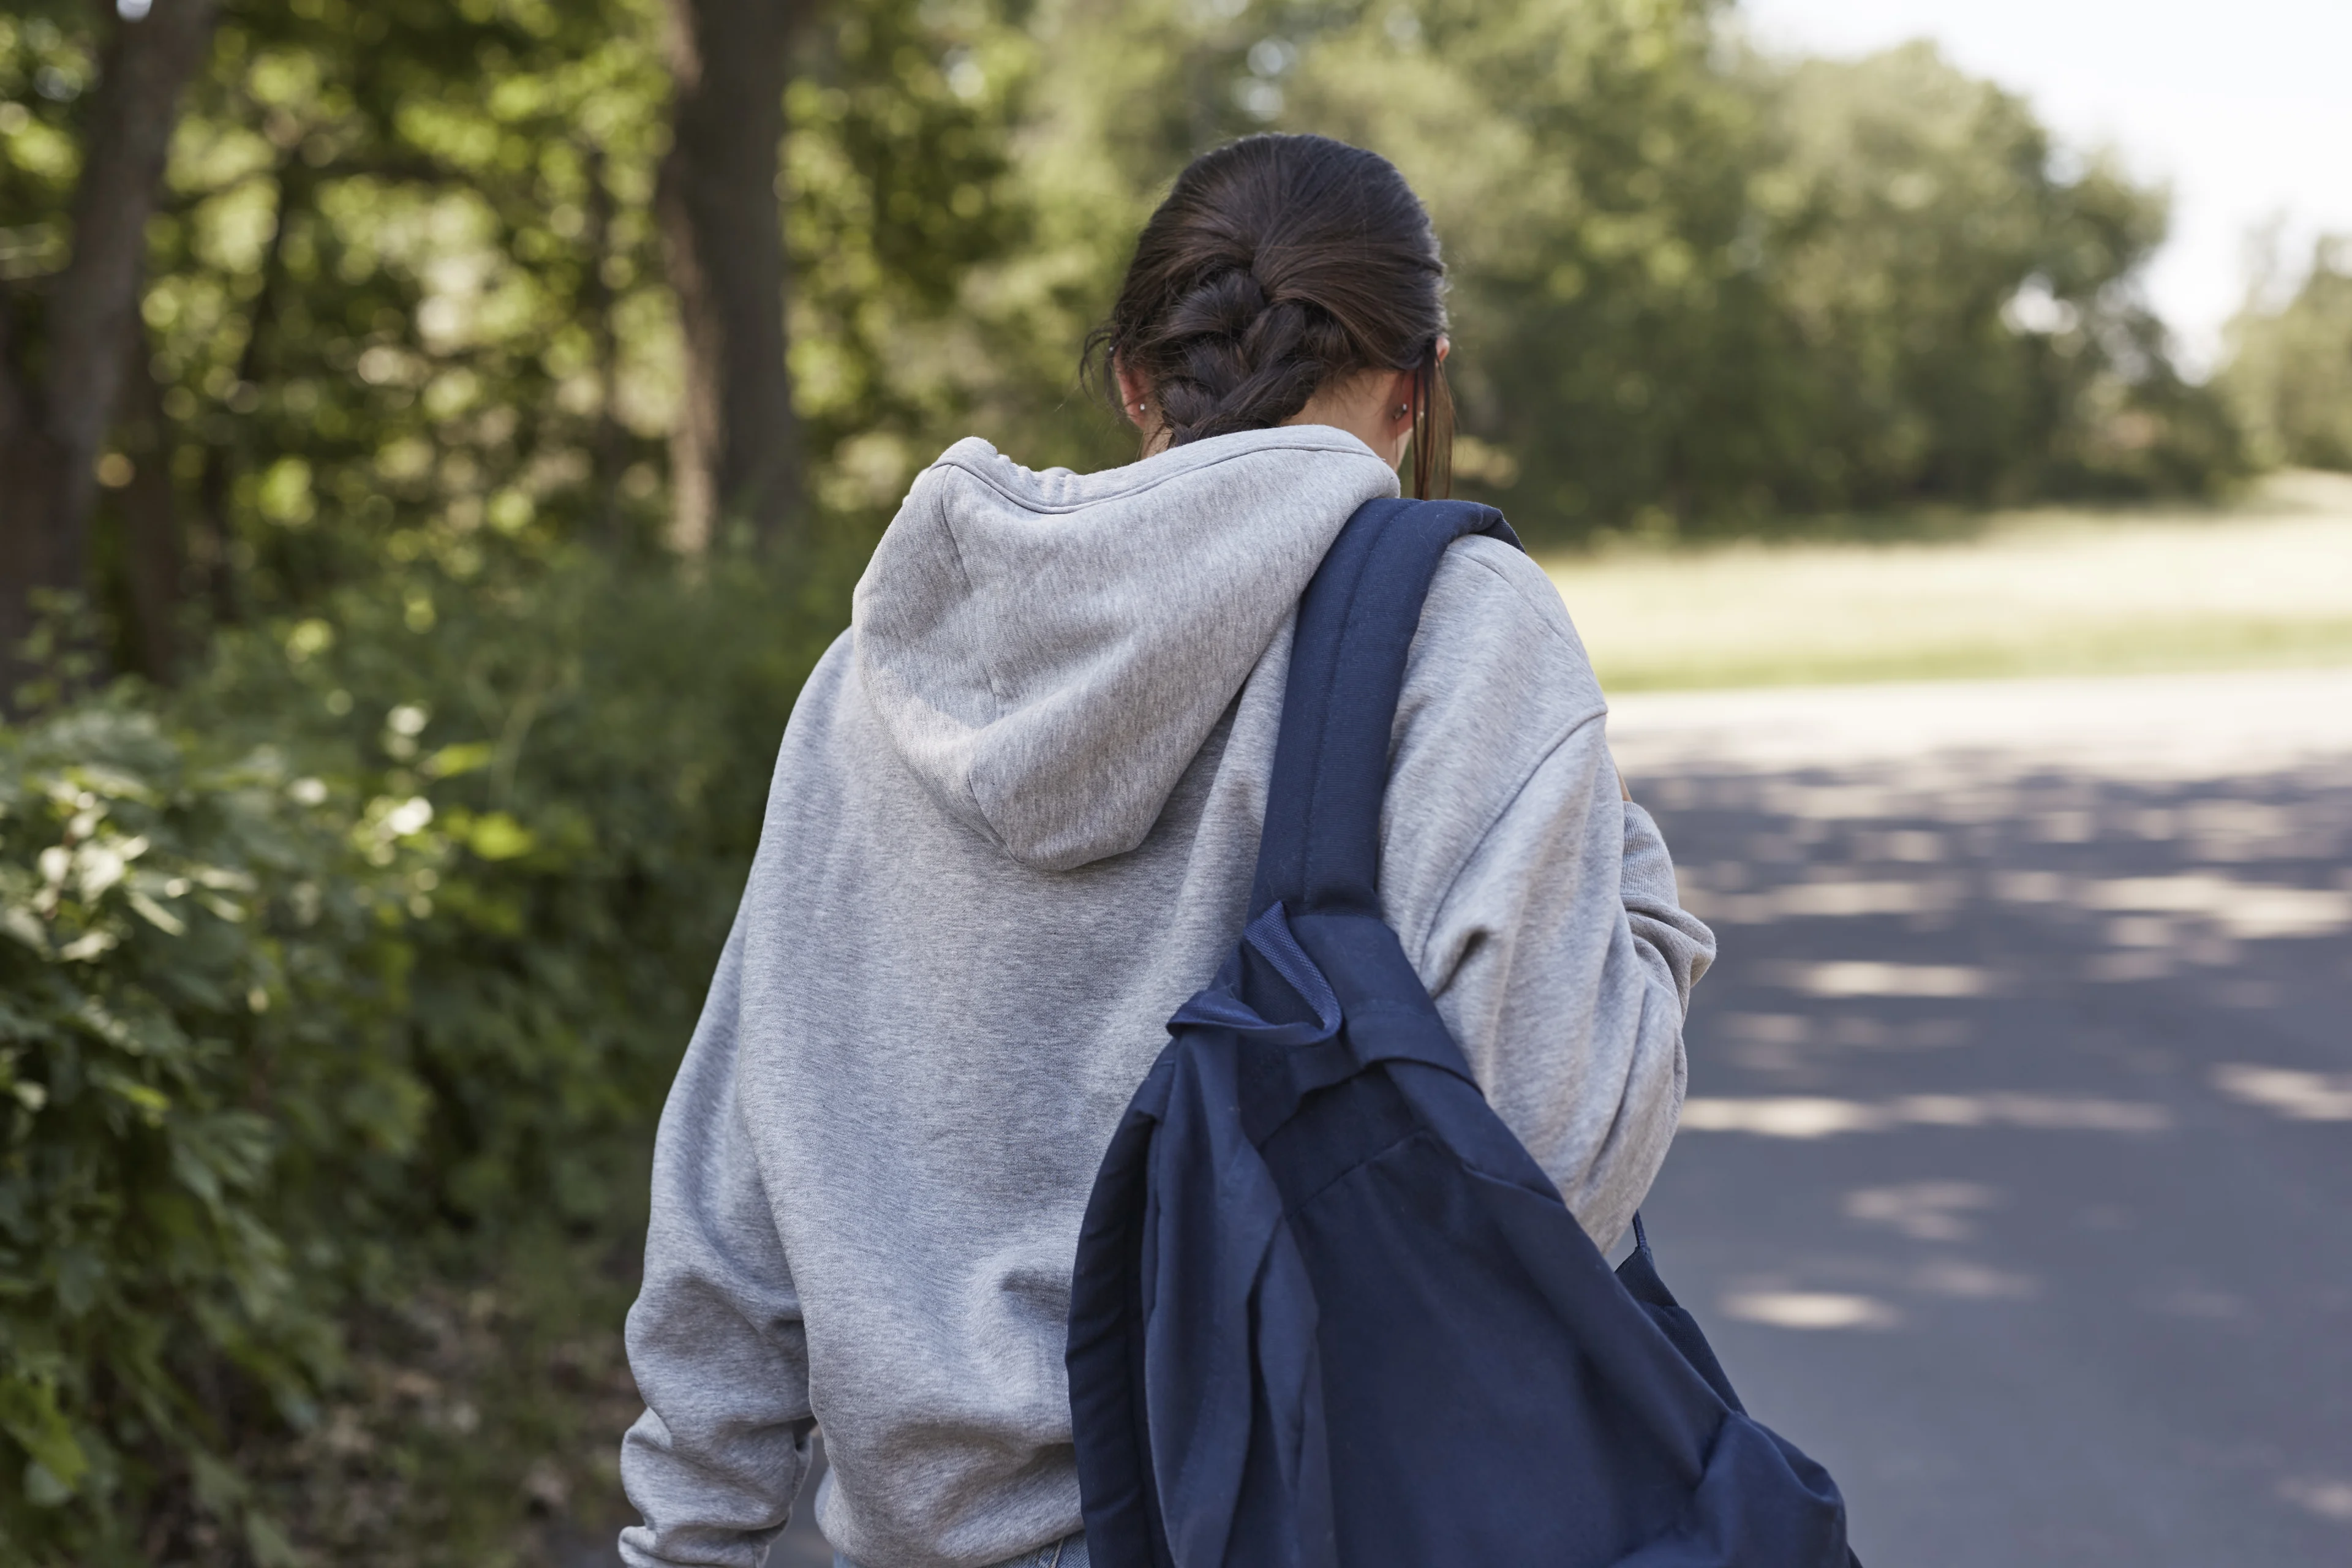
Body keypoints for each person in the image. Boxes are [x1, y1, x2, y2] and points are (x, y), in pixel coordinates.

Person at [617, 133, 1715, 1568]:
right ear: (1415, 385)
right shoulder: (1460, 625)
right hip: (1287, 1519)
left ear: (1138, 379)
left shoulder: (880, 676)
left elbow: (735, 1166)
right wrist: (1647, 910)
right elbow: (1554, 1162)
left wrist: (686, 1532)